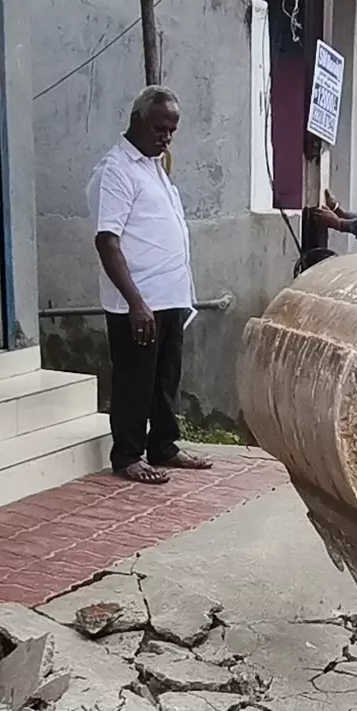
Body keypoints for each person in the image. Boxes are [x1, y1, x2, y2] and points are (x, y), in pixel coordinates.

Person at [88, 85, 213, 484]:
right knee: (133, 381)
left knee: (165, 379)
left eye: (172, 130)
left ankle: (163, 445)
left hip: (169, 294)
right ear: (138, 120)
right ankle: (127, 454)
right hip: (138, 300)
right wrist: (135, 302)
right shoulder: (117, 170)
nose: (167, 137)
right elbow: (107, 241)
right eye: (160, 128)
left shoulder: (154, 165)